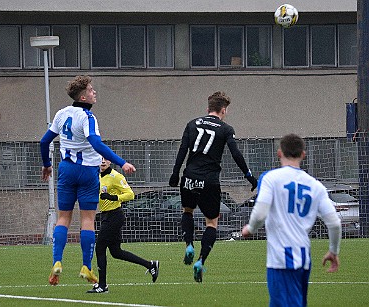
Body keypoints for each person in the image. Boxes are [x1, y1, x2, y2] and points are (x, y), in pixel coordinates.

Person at [40, 75, 136, 286]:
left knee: (63, 218)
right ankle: (86, 266)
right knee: (87, 221)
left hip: (66, 170)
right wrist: (121, 161)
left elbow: (45, 140)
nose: (94, 93)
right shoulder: (87, 117)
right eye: (92, 90)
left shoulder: (61, 113)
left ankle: (57, 261)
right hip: (87, 173)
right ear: (83, 96)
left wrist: (47, 165)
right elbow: (96, 143)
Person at [242, 134, 341, 307]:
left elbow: (260, 212)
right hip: (303, 257)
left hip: (283, 258)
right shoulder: (315, 185)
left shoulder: (270, 178)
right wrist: (333, 251)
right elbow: (334, 222)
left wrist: (250, 229)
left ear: (279, 153)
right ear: (303, 154)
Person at [169, 91, 258, 282]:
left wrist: (175, 174)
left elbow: (182, 150)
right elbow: (236, 154)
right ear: (223, 110)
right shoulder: (225, 129)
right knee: (212, 222)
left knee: (188, 211)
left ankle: (189, 245)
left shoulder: (192, 124)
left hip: (190, 177)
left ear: (208, 108)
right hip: (209, 179)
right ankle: (200, 261)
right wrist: (249, 176)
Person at [87, 158, 159, 293]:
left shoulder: (115, 176)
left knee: (100, 247)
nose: (103, 161)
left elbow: (130, 194)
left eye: (106, 159)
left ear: (110, 161)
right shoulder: (96, 175)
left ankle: (102, 285)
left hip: (115, 216)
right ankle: (150, 265)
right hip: (105, 216)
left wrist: (114, 198)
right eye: (100, 159)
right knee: (116, 252)